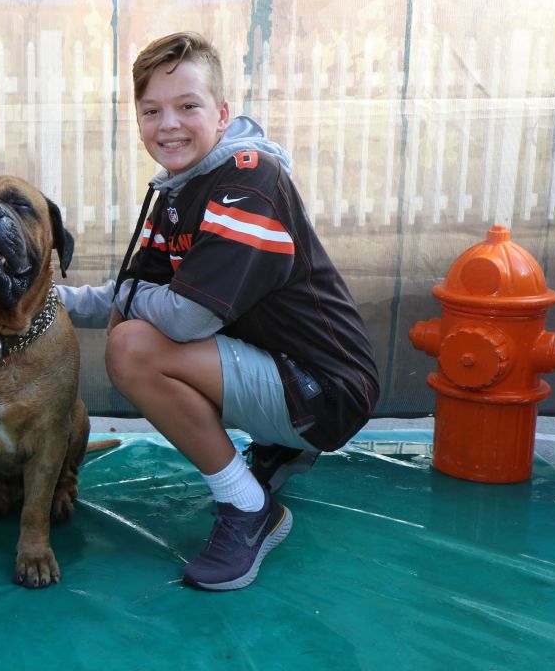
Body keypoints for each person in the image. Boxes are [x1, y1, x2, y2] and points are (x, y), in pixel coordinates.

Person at [57, 32, 378, 591]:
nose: (169, 124)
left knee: (133, 347)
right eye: (152, 110)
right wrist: (46, 298)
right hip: (280, 368)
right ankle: (278, 449)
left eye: (188, 106)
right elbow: (131, 289)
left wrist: (130, 303)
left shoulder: (249, 179)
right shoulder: (179, 189)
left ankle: (250, 508)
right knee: (133, 323)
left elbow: (184, 320)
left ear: (223, 112)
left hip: (326, 390)